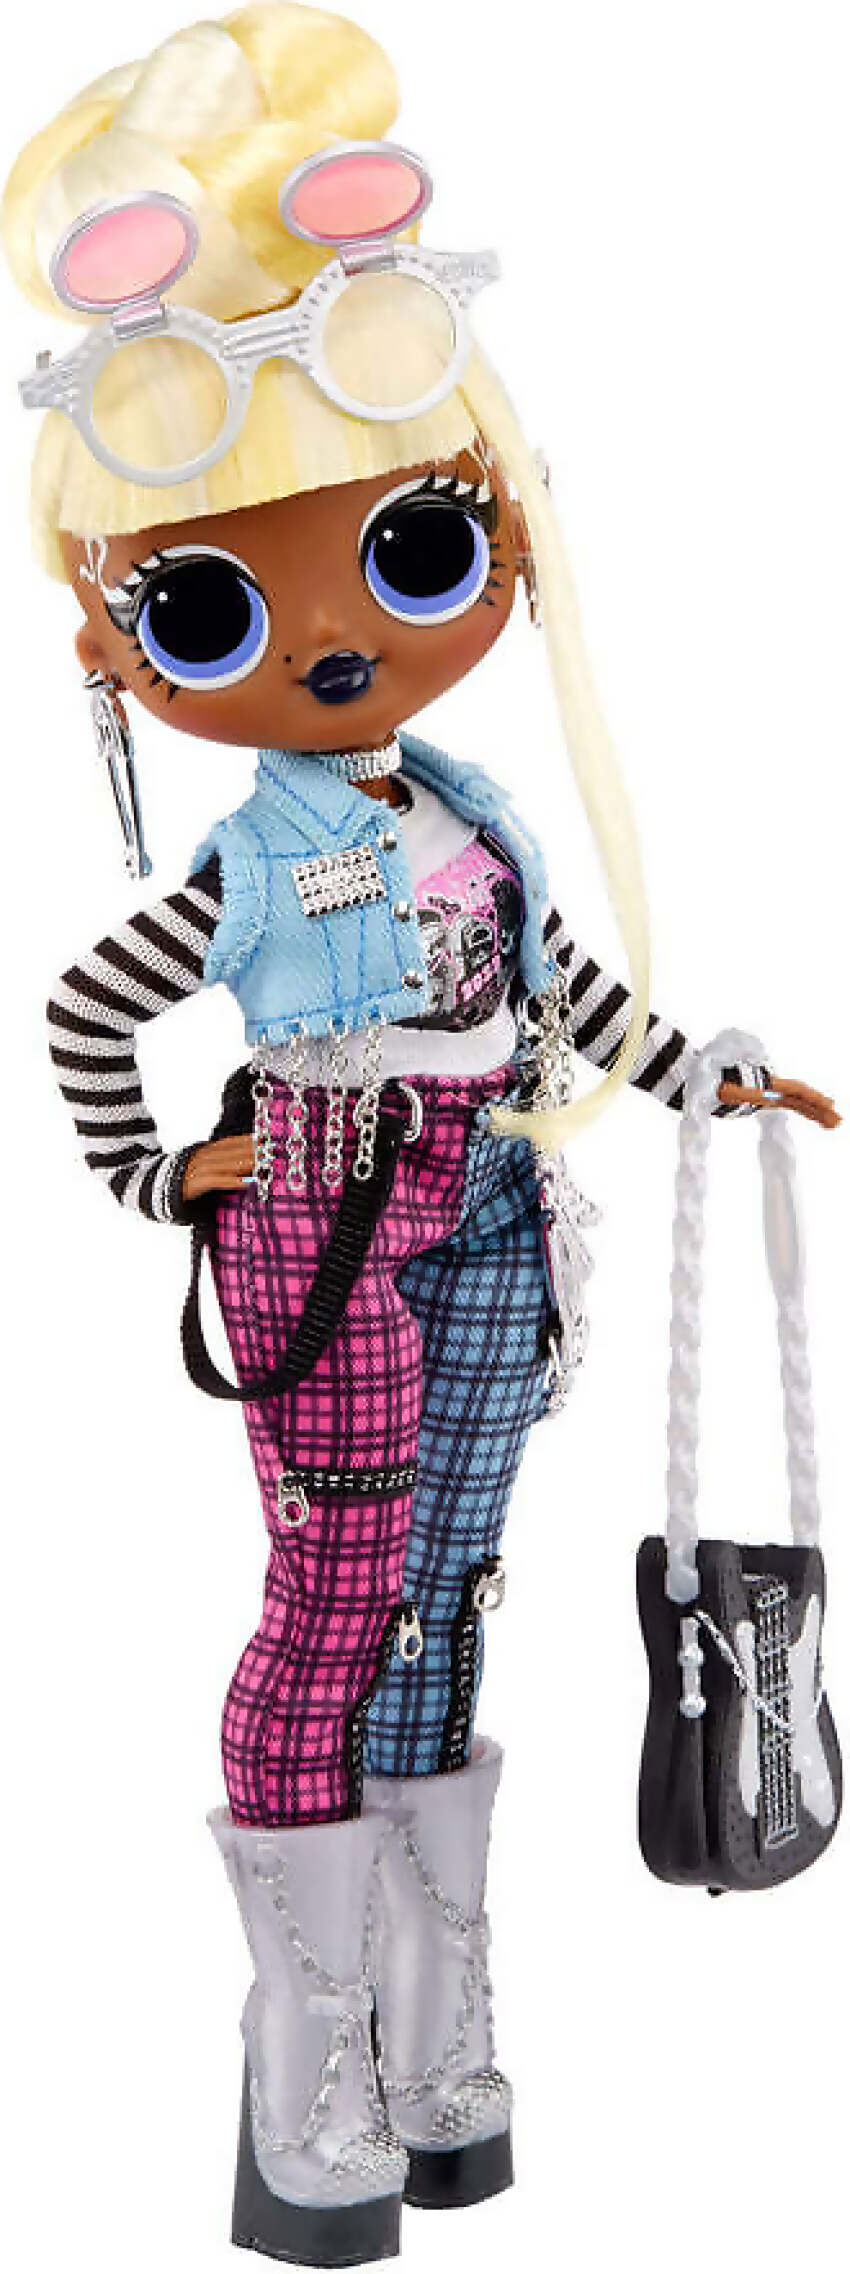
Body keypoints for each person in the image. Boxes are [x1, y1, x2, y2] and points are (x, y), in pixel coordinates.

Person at [3, 5, 837, 2262]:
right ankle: (307, 2049)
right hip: (325, 1216)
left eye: (415, 551)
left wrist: (696, 1077)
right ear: (116, 637)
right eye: (211, 604)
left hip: (483, 1201)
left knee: (447, 1588)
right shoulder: (253, 859)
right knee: (334, 1590)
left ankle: (436, 2012)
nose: (337, 637)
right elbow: (87, 1007)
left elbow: (545, 995)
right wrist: (160, 1171)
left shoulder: (468, 803)